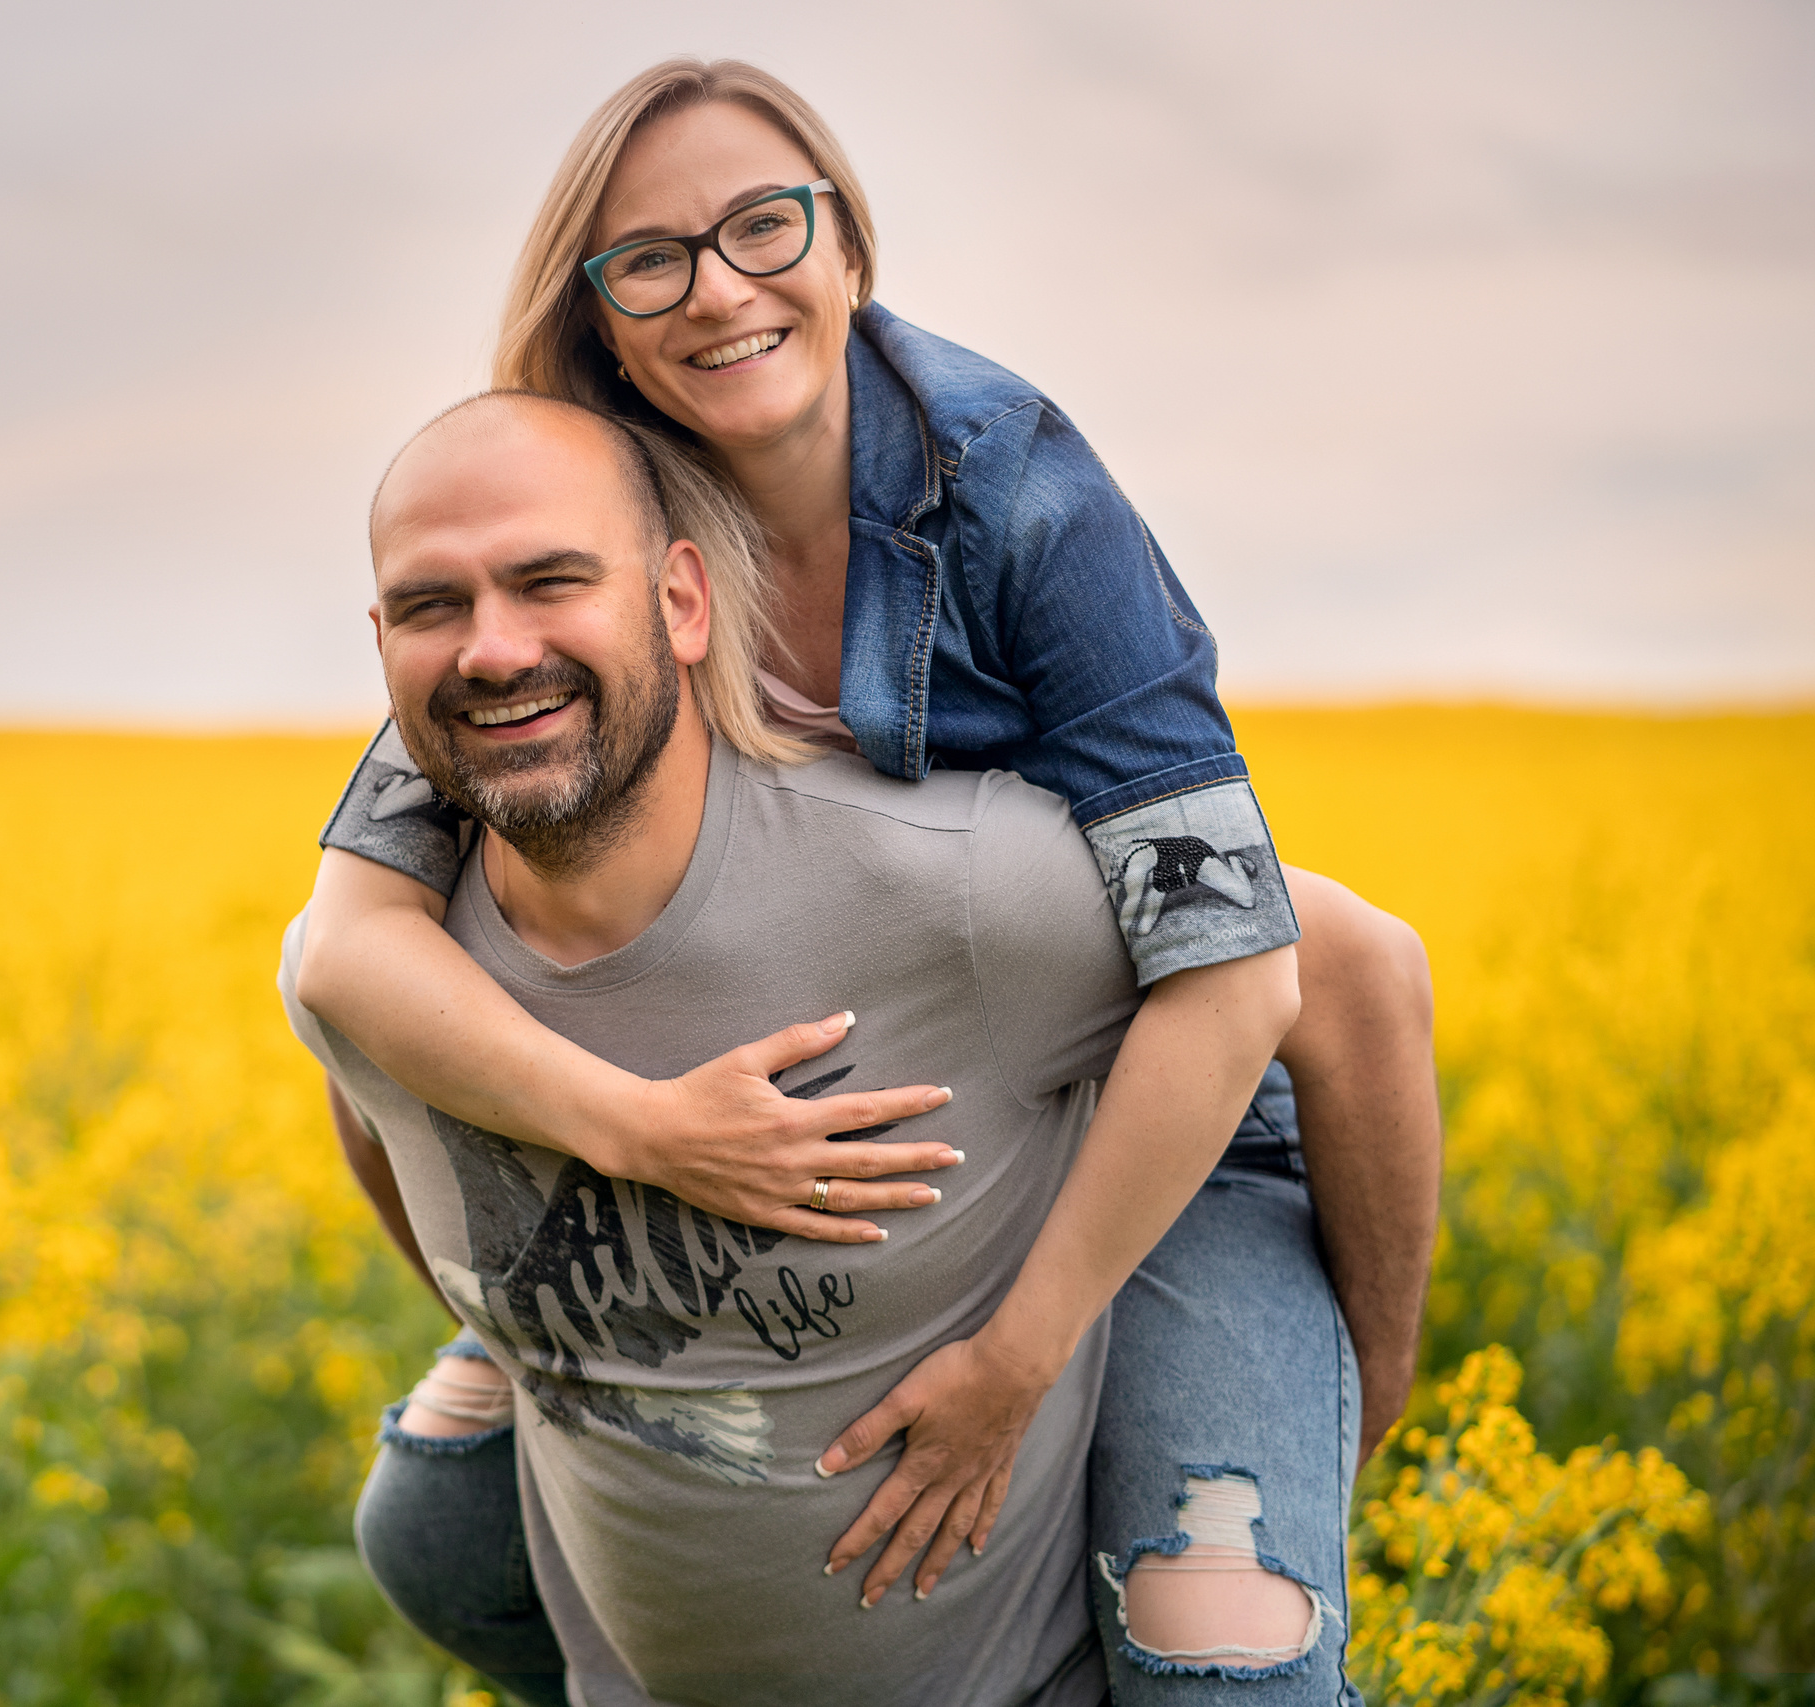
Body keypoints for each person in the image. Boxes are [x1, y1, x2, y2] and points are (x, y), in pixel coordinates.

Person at [300, 60, 1439, 1702]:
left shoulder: (1019, 493)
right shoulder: (564, 552)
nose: (722, 289)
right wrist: (597, 1224)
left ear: (850, 243)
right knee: (433, 1525)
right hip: (804, 1122)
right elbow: (352, 954)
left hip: (1154, 1110)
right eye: (651, 260)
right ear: (601, 318)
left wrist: (1066, 1365)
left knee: (1219, 1657)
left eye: (767, 226)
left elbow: (1274, 968)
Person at [285, 388, 1296, 1705]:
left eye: (553, 581)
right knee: (420, 1526)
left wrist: (1035, 1354)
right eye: (433, 606)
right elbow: (366, 1088)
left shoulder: (963, 887)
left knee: (1231, 1658)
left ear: (684, 602)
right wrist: (542, 1330)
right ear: (381, 643)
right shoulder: (383, 970)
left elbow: (1331, 975)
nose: (490, 649)